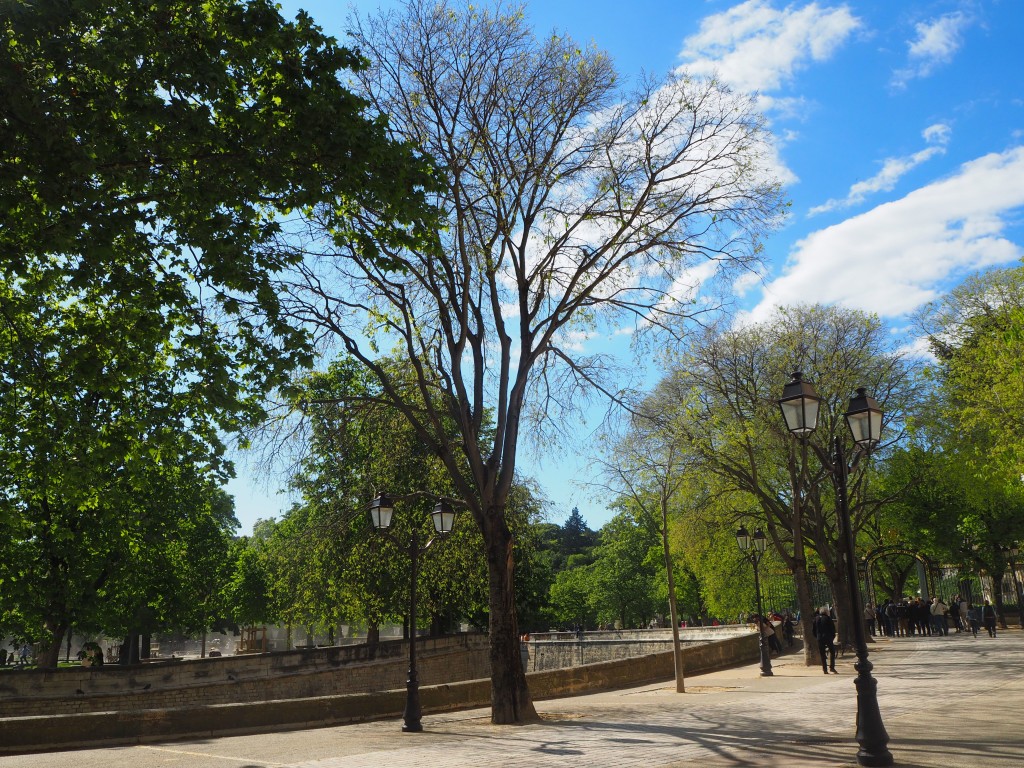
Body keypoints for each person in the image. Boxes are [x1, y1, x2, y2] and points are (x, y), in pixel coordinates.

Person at [812, 607, 837, 674]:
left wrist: (817, 636)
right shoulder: (828, 618)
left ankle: (824, 669)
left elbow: (814, 630)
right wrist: (832, 637)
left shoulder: (816, 619)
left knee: (822, 654)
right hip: (828, 637)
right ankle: (832, 667)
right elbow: (832, 629)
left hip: (820, 638)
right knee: (832, 651)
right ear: (826, 612)